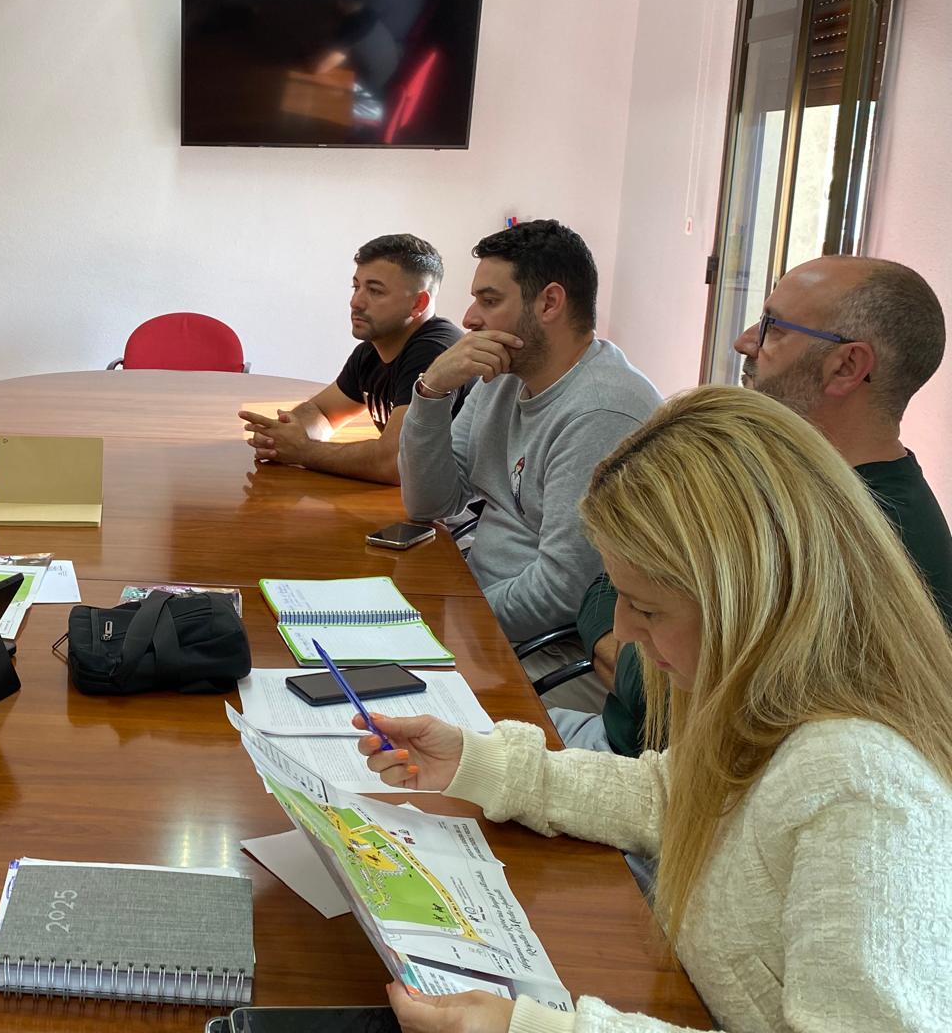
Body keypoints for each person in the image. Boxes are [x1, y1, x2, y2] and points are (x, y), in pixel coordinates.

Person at [362, 386, 952, 1033]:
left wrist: (535, 1029)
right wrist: (477, 762)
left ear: (747, 601)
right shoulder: (777, 701)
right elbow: (676, 797)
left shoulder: (863, 788)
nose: (624, 630)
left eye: (646, 608)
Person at [558, 255, 952, 754]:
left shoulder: (869, 539)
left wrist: (625, 647)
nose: (745, 342)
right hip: (622, 749)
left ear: (847, 366)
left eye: (772, 328)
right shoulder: (772, 482)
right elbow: (603, 586)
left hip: (663, 788)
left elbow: (661, 690)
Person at [398, 220, 660, 708]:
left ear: (549, 303)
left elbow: (563, 591)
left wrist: (439, 621)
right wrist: (431, 391)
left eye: (490, 300)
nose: (470, 317)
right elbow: (429, 501)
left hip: (545, 650)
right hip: (483, 611)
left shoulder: (601, 413)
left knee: (379, 704)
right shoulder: (504, 375)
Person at [240, 235, 464, 485]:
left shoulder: (435, 351)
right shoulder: (372, 349)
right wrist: (282, 437)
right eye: (356, 287)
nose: (355, 302)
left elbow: (395, 463)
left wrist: (303, 450)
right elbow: (322, 412)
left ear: (418, 303)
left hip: (464, 517)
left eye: (375, 291)